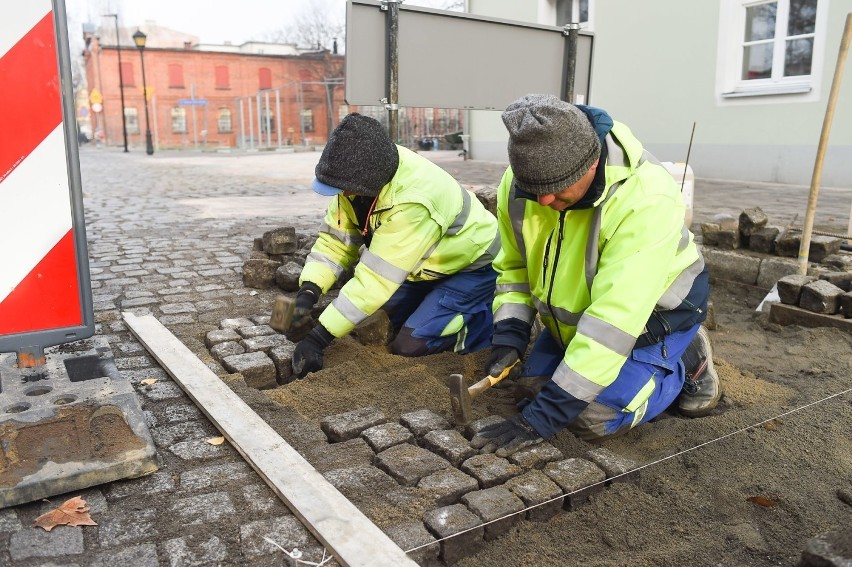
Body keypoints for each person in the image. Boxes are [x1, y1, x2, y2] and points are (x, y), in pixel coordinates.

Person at [470, 94, 721, 457]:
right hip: (575, 320)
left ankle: (687, 360)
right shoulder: (521, 185)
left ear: (590, 165)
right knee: (532, 391)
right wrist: (509, 336)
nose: (542, 202)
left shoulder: (646, 199)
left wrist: (540, 421)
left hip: (653, 319)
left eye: (555, 190)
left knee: (589, 418)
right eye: (534, 190)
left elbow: (613, 320)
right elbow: (514, 269)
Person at [289, 113, 501, 378]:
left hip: (473, 265)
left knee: (410, 345)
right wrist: (308, 292)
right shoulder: (356, 179)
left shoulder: (413, 201)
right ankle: (434, 304)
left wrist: (318, 339)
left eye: (343, 190)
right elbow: (335, 241)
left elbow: (374, 282)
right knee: (379, 320)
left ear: (366, 182)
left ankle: (488, 325)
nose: (340, 195)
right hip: (422, 265)